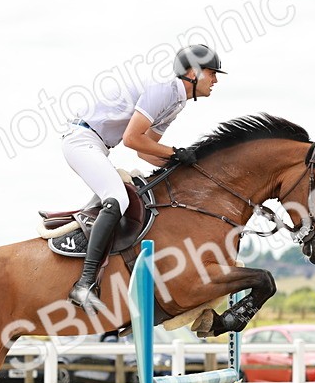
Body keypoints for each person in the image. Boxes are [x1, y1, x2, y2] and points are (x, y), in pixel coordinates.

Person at [63, 44, 225, 314]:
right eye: (212, 73)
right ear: (193, 72)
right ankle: (84, 283)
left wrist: (185, 167)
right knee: (116, 199)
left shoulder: (177, 103)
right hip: (81, 140)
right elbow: (131, 139)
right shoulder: (164, 90)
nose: (216, 80)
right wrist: (175, 153)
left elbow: (145, 150)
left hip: (99, 145)